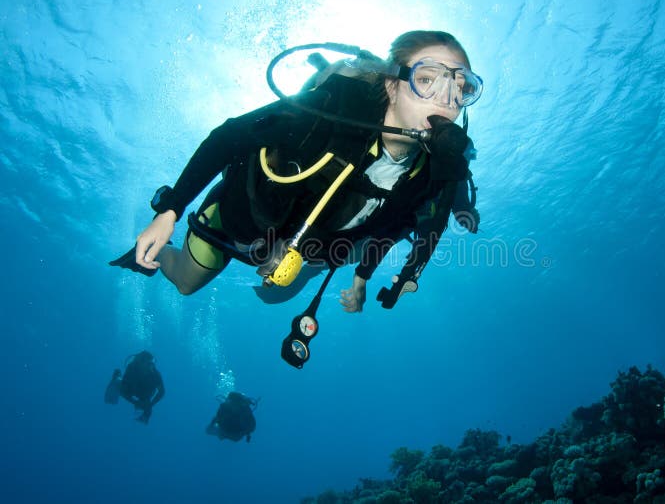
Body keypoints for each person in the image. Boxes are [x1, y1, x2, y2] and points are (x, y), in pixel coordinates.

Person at [110, 30, 482, 313]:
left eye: (461, 88)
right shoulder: (331, 109)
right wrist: (168, 213)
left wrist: (362, 278)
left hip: (317, 241)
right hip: (244, 218)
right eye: (427, 79)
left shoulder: (437, 171)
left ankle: (304, 263)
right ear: (392, 85)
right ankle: (158, 258)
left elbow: (399, 227)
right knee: (188, 284)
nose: (446, 101)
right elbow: (231, 135)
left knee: (280, 295)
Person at [105, 350, 165, 424]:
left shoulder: (155, 374)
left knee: (146, 411)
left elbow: (161, 391)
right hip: (131, 388)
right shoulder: (132, 368)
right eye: (147, 363)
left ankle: (141, 419)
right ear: (140, 362)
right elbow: (122, 390)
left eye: (151, 364)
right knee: (118, 384)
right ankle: (117, 377)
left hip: (144, 393)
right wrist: (134, 402)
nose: (149, 366)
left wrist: (151, 404)